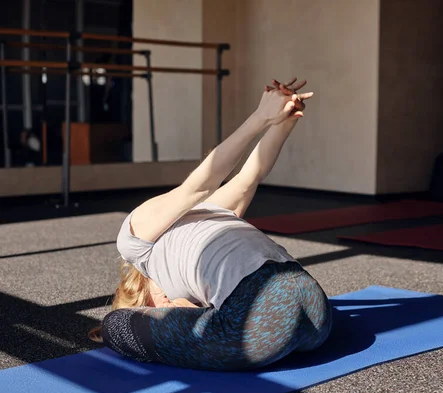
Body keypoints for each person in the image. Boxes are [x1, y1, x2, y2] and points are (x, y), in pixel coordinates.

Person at [88, 78, 332, 371]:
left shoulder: (135, 241)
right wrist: (284, 120)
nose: (169, 306)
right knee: (236, 324)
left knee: (114, 324)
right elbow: (249, 176)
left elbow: (199, 185)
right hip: (317, 313)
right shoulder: (212, 215)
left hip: (263, 315)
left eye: (153, 308)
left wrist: (261, 117)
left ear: (142, 294)